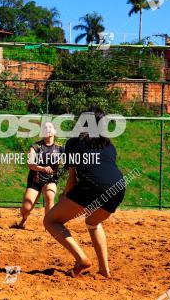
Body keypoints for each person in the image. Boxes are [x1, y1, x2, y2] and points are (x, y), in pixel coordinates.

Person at [43, 107, 126, 278]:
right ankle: (104, 270)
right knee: (93, 223)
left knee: (51, 221)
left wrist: (65, 195)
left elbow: (73, 176)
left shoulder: (74, 142)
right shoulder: (110, 146)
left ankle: (81, 258)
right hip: (119, 187)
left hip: (92, 186)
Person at [13, 121, 64, 229]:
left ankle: (49, 225)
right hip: (35, 180)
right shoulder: (35, 146)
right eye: (45, 128)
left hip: (50, 180)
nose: (47, 129)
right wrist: (42, 168)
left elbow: (72, 160)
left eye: (50, 127)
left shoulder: (60, 148)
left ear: (55, 131)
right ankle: (23, 220)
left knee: (50, 197)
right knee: (26, 208)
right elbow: (30, 163)